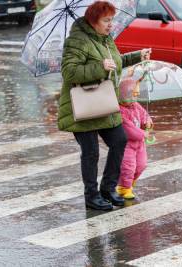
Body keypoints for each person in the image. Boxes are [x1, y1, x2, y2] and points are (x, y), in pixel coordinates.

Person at [58, 1, 151, 211]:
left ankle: (108, 189)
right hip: (83, 105)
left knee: (119, 141)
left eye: (112, 20)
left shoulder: (105, 39)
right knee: (90, 153)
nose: (111, 25)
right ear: (93, 21)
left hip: (105, 102)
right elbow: (69, 72)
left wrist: (137, 56)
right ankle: (91, 196)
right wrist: (98, 67)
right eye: (106, 20)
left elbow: (114, 63)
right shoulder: (77, 41)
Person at [116, 77, 153, 199]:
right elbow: (129, 129)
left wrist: (147, 122)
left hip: (140, 144)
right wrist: (144, 134)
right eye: (133, 94)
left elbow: (144, 115)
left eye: (137, 95)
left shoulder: (136, 105)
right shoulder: (121, 111)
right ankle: (124, 187)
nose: (135, 98)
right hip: (128, 145)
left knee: (141, 164)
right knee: (128, 167)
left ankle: (130, 183)